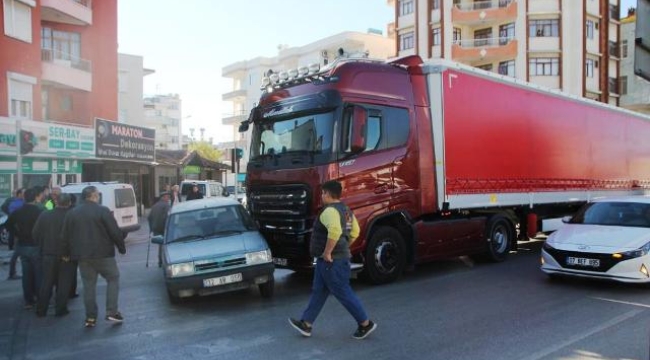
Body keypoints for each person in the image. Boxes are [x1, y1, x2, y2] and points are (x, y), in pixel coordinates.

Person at [288, 180, 377, 340]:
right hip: (331, 260)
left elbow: (335, 231)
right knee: (319, 291)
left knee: (342, 291)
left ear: (327, 194)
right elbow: (355, 232)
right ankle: (306, 324)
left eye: (322, 193)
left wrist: (329, 252)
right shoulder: (346, 211)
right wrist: (344, 246)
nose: (321, 196)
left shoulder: (329, 211)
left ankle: (365, 323)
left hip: (331, 261)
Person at [62, 186, 126, 328]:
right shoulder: (102, 210)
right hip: (103, 254)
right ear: (93, 196)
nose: (98, 196)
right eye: (97, 194)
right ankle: (112, 311)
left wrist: (67, 254)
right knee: (113, 278)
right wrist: (121, 247)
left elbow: (65, 236)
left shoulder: (72, 213)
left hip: (83, 256)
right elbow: (114, 231)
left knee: (88, 285)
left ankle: (90, 317)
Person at [33, 193, 74, 317]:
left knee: (46, 282)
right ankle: (61, 309)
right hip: (66, 255)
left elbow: (35, 233)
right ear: (69, 203)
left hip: (48, 253)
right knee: (63, 283)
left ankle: (41, 309)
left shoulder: (45, 215)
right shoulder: (72, 216)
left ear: (56, 202)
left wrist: (43, 246)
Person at [6, 188, 44, 309]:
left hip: (22, 245)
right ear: (37, 197)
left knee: (26, 274)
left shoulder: (18, 211)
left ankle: (28, 300)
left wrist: (17, 234)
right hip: (35, 245)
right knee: (39, 274)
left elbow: (8, 225)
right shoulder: (40, 211)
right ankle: (40, 298)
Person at [4, 188, 24, 280]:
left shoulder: (21, 203)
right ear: (19, 194)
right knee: (17, 253)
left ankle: (13, 272)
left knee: (18, 253)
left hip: (20, 233)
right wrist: (16, 232)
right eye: (23, 193)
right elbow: (11, 221)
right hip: (19, 233)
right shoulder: (16, 204)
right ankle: (13, 272)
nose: (24, 195)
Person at [148, 192, 171, 267]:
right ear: (163, 197)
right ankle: (163, 260)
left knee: (160, 245)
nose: (168, 199)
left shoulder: (154, 206)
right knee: (165, 245)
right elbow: (168, 217)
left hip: (155, 228)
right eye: (167, 197)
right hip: (163, 228)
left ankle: (160, 260)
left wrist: (151, 228)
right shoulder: (166, 206)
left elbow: (149, 217)